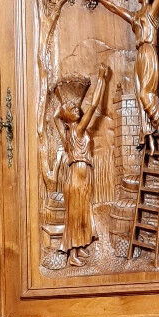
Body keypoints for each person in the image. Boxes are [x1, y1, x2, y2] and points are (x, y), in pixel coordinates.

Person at [89, 0, 159, 156]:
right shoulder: (136, 17)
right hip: (140, 56)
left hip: (149, 53)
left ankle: (158, 122)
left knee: (146, 94)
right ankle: (149, 139)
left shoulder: (152, 12)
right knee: (138, 95)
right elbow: (116, 9)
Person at [55, 66, 109, 267]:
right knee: (76, 214)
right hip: (77, 176)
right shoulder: (76, 130)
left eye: (76, 107)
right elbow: (94, 106)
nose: (76, 109)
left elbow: (55, 119)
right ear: (68, 117)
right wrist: (102, 79)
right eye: (71, 109)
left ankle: (79, 247)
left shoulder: (68, 133)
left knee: (80, 213)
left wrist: (59, 113)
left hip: (81, 175)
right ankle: (72, 255)